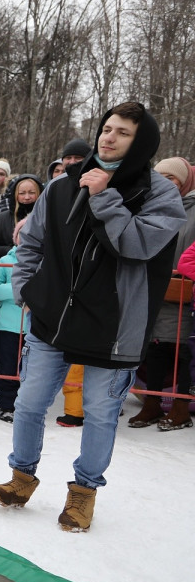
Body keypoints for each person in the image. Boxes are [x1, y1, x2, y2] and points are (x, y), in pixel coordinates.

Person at [0, 102, 185, 532]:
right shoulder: (62, 186)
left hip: (115, 329)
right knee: (29, 402)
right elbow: (32, 244)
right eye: (106, 128)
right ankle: (20, 479)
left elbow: (137, 245)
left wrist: (105, 196)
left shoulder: (160, 195)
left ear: (142, 143)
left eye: (123, 133)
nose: (109, 138)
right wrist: (26, 291)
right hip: (52, 320)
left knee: (98, 413)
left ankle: (83, 494)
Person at [129, 157, 195, 431]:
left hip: (185, 288)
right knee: (155, 347)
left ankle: (181, 407)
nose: (165, 183)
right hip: (153, 286)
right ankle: (151, 402)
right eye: (161, 178)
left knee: (183, 350)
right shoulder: (152, 206)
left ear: (185, 181)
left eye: (172, 178)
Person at [0, 218, 29, 423]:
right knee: (6, 367)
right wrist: (20, 291)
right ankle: (7, 405)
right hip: (8, 325)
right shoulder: (5, 261)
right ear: (16, 237)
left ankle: (26, 408)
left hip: (34, 328)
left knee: (30, 370)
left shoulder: (46, 262)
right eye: (23, 232)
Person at [0, 174, 43, 263]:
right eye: (22, 193)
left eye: (32, 193)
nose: (27, 197)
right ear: (15, 195)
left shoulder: (48, 218)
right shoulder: (0, 220)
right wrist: (13, 250)